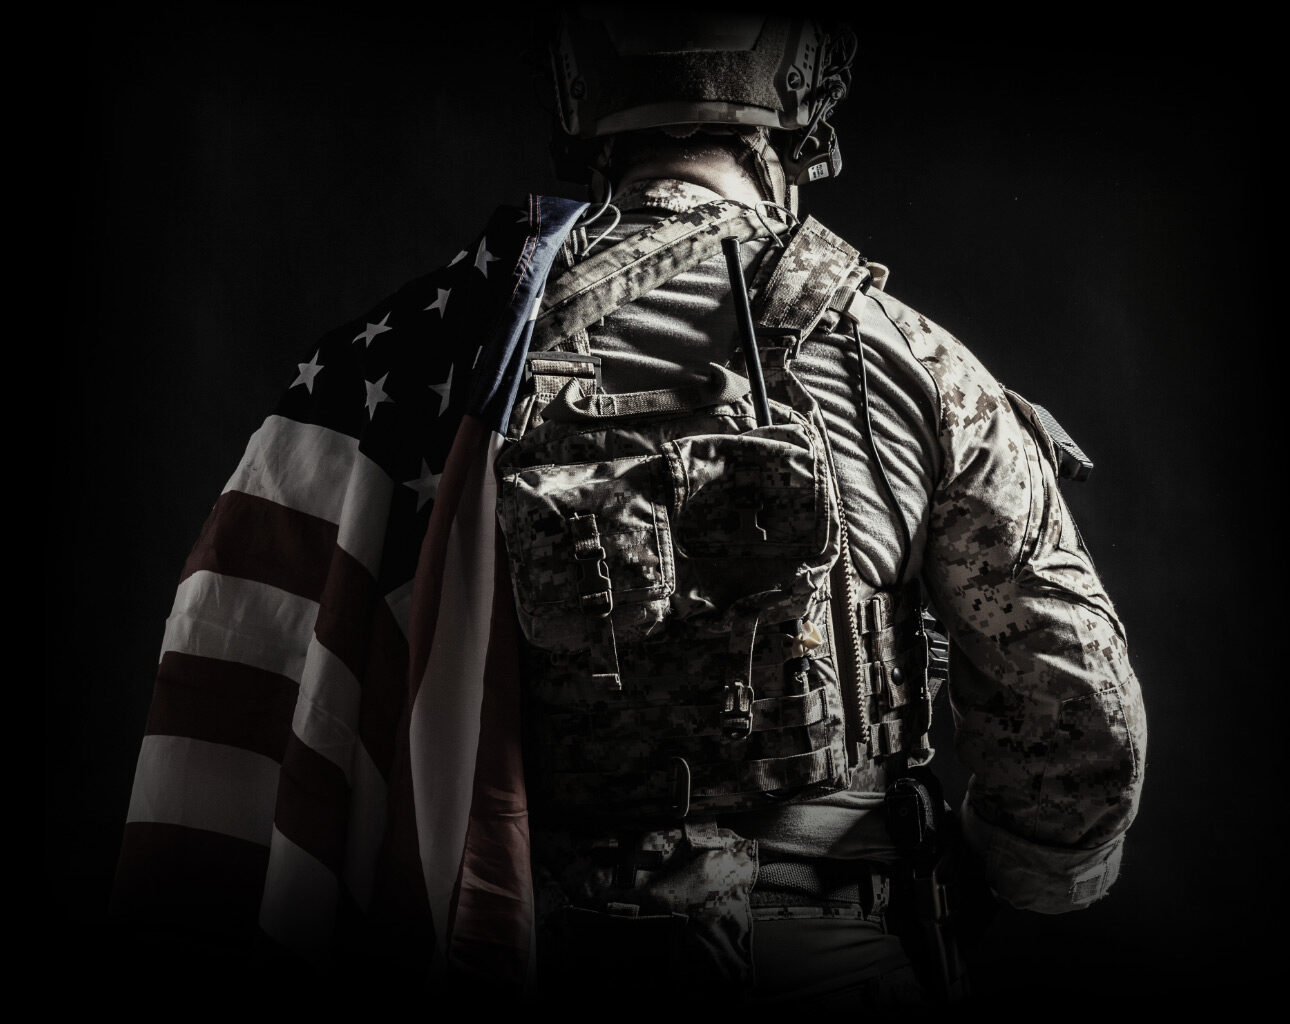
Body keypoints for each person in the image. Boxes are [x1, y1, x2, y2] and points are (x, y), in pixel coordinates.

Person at [112, 10, 1146, 1008]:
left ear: (578, 92)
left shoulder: (445, 355)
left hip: (517, 943)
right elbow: (1079, 712)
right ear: (804, 89)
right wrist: (1022, 878)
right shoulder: (913, 365)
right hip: (834, 950)